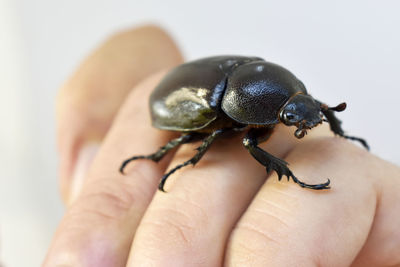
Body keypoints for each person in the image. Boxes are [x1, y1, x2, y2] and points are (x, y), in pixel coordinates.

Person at [43, 25, 400, 266]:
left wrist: (336, 130)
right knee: (212, 136)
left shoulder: (272, 86)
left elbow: (308, 108)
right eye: (293, 116)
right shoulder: (235, 113)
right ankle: (172, 156)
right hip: (182, 102)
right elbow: (232, 136)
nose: (307, 120)